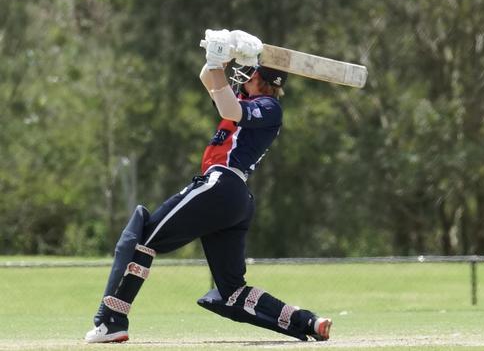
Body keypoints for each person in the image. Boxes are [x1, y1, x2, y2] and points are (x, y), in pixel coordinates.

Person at [84, 29, 332, 343]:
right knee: (231, 291)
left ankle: (111, 320)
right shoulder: (245, 98)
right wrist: (221, 54)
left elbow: (229, 109)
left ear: (263, 80)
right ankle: (308, 322)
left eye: (249, 72)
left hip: (222, 184)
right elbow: (210, 79)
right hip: (234, 199)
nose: (242, 77)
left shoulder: (269, 107)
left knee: (142, 237)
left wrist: (220, 61)